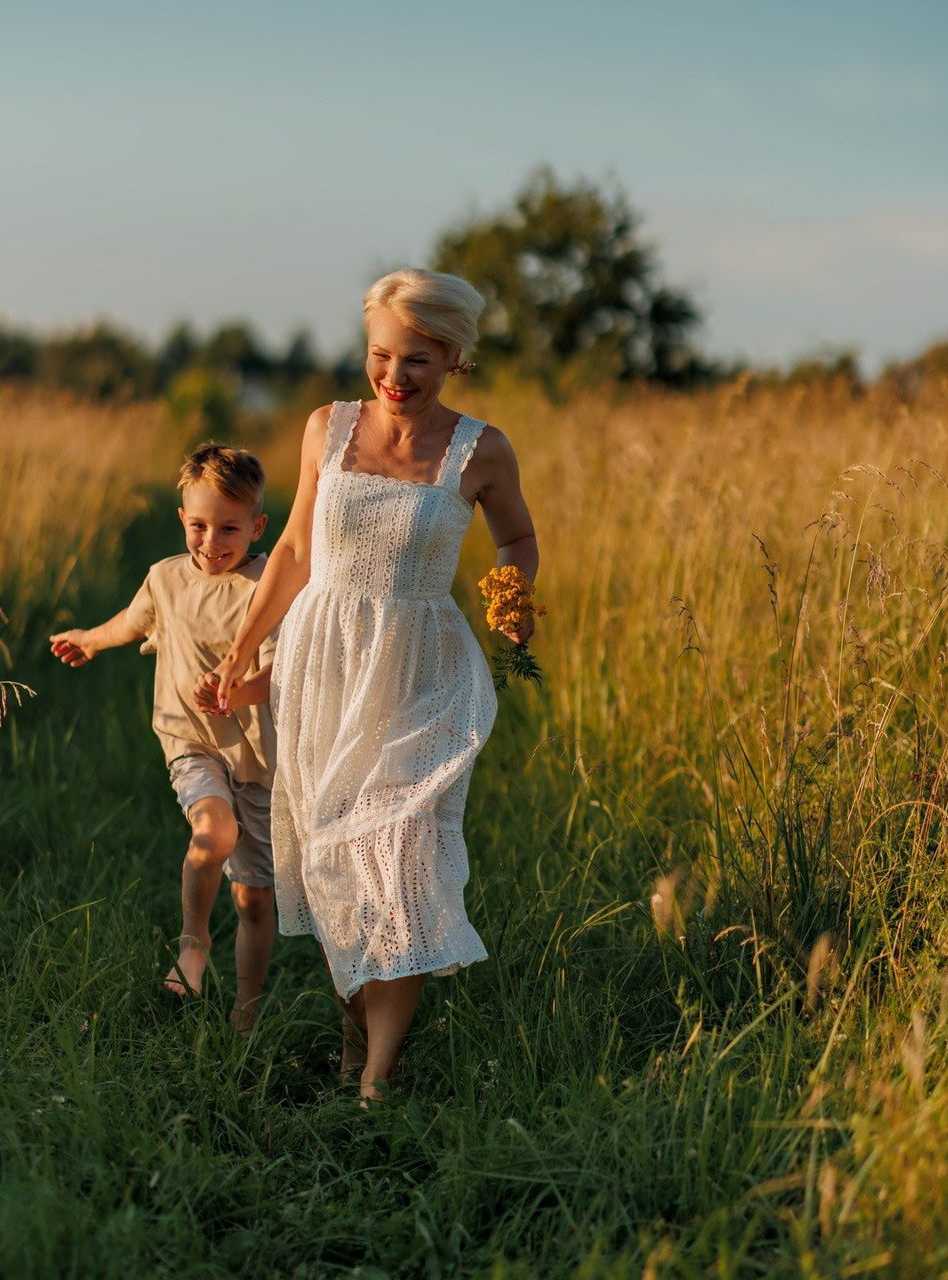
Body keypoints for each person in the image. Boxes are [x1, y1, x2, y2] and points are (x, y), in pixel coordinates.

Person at [205, 268, 538, 1100]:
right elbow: (290, 554)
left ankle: (377, 1079)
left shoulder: (481, 450)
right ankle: (354, 1040)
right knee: (333, 861)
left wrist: (511, 599)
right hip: (325, 664)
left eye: (417, 360)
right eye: (382, 355)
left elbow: (517, 539)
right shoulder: (328, 427)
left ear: (455, 357)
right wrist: (244, 651)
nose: (394, 376)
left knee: (401, 859)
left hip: (420, 668)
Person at [50, 444, 278, 1032]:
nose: (211, 542)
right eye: (198, 526)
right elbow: (133, 622)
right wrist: (92, 640)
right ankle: (193, 940)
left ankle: (245, 1009)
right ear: (181, 519)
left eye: (229, 528)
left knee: (255, 900)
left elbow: (281, 676)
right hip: (190, 739)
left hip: (257, 755)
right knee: (214, 829)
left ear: (257, 526)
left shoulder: (271, 586)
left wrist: (234, 693)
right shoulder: (165, 578)